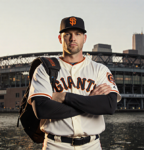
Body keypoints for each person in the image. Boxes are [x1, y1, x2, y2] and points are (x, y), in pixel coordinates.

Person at [27, 16, 121, 150]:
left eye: (78, 34)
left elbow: (109, 106)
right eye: (68, 34)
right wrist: (89, 103)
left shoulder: (100, 69)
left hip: (92, 145)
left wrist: (65, 97)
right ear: (60, 38)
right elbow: (42, 110)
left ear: (85, 38)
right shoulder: (44, 68)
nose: (73, 38)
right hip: (55, 145)